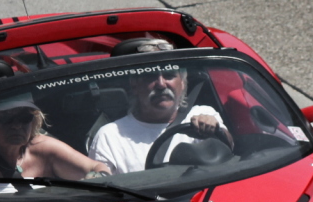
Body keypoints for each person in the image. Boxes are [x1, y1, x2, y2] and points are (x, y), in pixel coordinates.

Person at [89, 65, 229, 174]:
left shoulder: (203, 113)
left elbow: (231, 149)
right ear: (134, 84)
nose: (161, 84)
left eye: (169, 75)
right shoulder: (110, 136)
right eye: (150, 77)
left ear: (183, 83)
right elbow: (102, 191)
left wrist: (214, 129)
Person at [0, 97, 108, 195]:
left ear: (34, 121)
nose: (17, 125)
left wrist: (94, 178)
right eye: (5, 118)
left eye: (25, 117)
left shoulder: (44, 148)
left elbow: (98, 168)